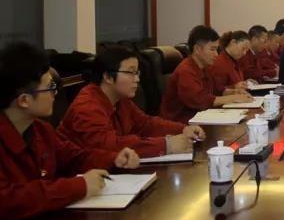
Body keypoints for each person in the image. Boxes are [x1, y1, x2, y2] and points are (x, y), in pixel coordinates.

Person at [0, 42, 140, 220]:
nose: (55, 94)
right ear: (24, 100)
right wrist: (79, 186)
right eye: (50, 87)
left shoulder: (41, 130)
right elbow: (8, 199)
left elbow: (74, 157)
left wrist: (114, 159)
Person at [58, 46, 206, 158]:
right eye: (130, 72)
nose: (137, 79)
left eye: (137, 73)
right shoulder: (87, 107)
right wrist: (167, 145)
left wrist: (183, 129)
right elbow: (111, 147)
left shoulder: (120, 99)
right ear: (107, 77)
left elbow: (145, 124)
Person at [160, 26, 253, 123]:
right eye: (212, 49)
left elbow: (217, 90)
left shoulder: (205, 67)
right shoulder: (186, 70)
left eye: (217, 50)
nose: (216, 54)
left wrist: (234, 92)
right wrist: (232, 98)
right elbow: (199, 100)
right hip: (181, 123)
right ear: (197, 49)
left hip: (202, 117)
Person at [208, 31, 253, 95]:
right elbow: (215, 91)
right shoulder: (219, 62)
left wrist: (245, 83)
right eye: (243, 48)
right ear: (233, 42)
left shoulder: (235, 60)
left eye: (246, 50)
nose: (244, 53)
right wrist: (234, 87)